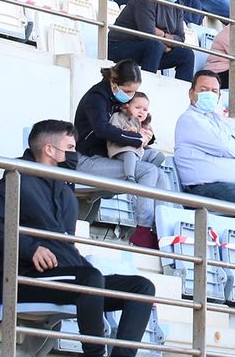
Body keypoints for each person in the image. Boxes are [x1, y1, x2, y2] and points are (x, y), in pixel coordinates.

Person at [0, 120, 155, 357]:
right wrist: (30, 249)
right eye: (70, 147)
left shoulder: (65, 183)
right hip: (27, 276)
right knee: (89, 280)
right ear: (50, 150)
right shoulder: (15, 178)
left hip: (69, 273)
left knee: (141, 288)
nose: (75, 154)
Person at [72, 61, 176, 244]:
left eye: (133, 92)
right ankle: (142, 230)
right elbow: (102, 130)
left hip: (110, 156)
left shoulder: (120, 99)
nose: (130, 96)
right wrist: (136, 139)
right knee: (148, 171)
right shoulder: (97, 98)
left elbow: (135, 125)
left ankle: (164, 231)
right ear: (113, 82)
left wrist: (146, 137)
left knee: (161, 174)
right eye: (127, 91)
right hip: (88, 158)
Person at [174, 71, 235, 209]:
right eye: (204, 90)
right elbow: (225, 147)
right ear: (191, 93)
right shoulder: (189, 119)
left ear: (219, 96)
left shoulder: (219, 120)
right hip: (207, 188)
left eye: (214, 91)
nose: (209, 94)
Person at [107, 0, 197, 82]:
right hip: (119, 47)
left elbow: (180, 39)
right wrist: (168, 43)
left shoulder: (178, 6)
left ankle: (182, 97)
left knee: (187, 55)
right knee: (155, 46)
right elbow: (147, 34)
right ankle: (147, 89)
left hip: (150, 50)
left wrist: (162, 35)